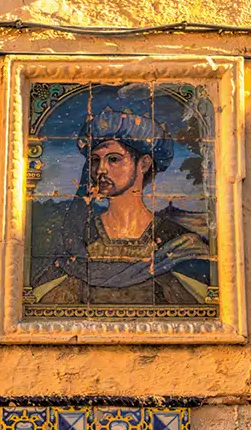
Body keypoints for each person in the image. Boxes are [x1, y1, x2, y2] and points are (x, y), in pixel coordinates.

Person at [28, 106, 211, 307]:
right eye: (95, 160)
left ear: (144, 164)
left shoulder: (178, 243)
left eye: (113, 159)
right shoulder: (80, 239)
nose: (100, 170)